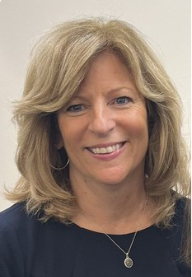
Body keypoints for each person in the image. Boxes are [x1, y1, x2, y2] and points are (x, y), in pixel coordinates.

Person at [0, 18, 190, 277]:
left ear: (152, 115)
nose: (101, 124)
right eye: (76, 106)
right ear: (54, 131)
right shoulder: (9, 244)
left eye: (121, 100)